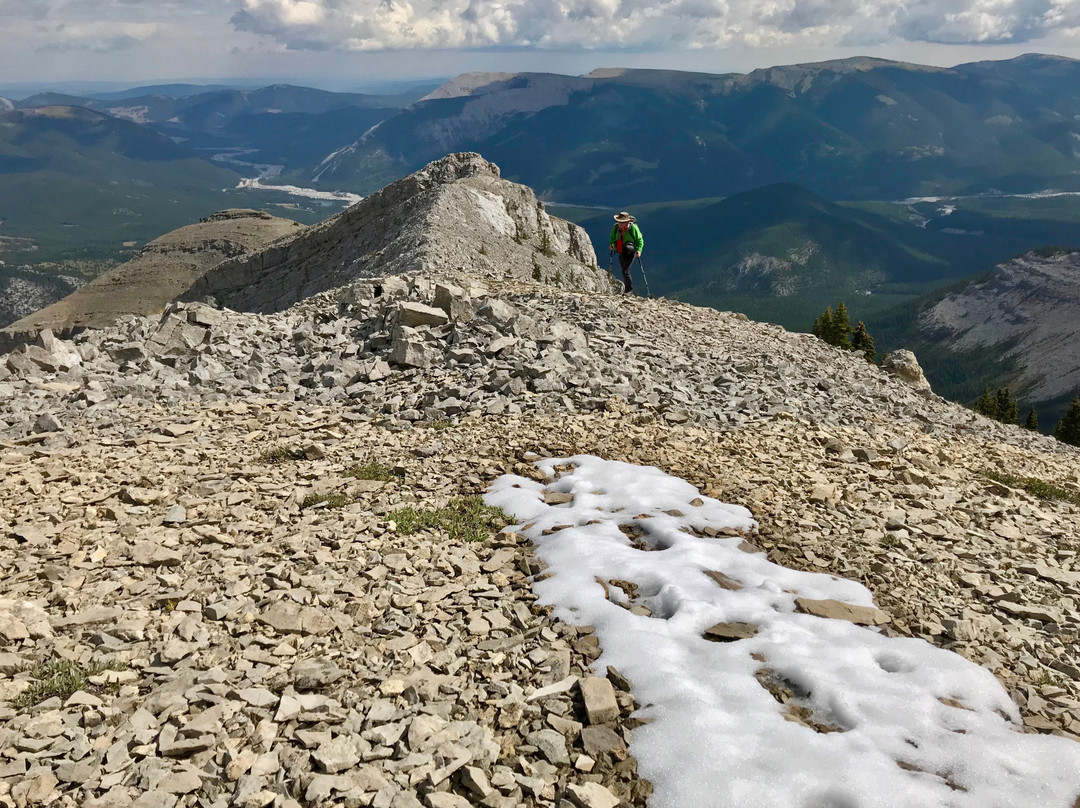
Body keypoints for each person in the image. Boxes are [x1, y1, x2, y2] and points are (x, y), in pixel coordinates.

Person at [609, 212, 644, 294]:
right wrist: (612, 244)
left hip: (631, 252)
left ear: (627, 222)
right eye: (619, 222)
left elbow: (640, 240)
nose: (620, 224)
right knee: (623, 270)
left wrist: (639, 250)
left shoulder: (633, 228)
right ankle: (626, 289)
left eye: (622, 222)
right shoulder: (616, 227)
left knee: (625, 270)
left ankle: (628, 290)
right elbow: (612, 238)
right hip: (621, 251)